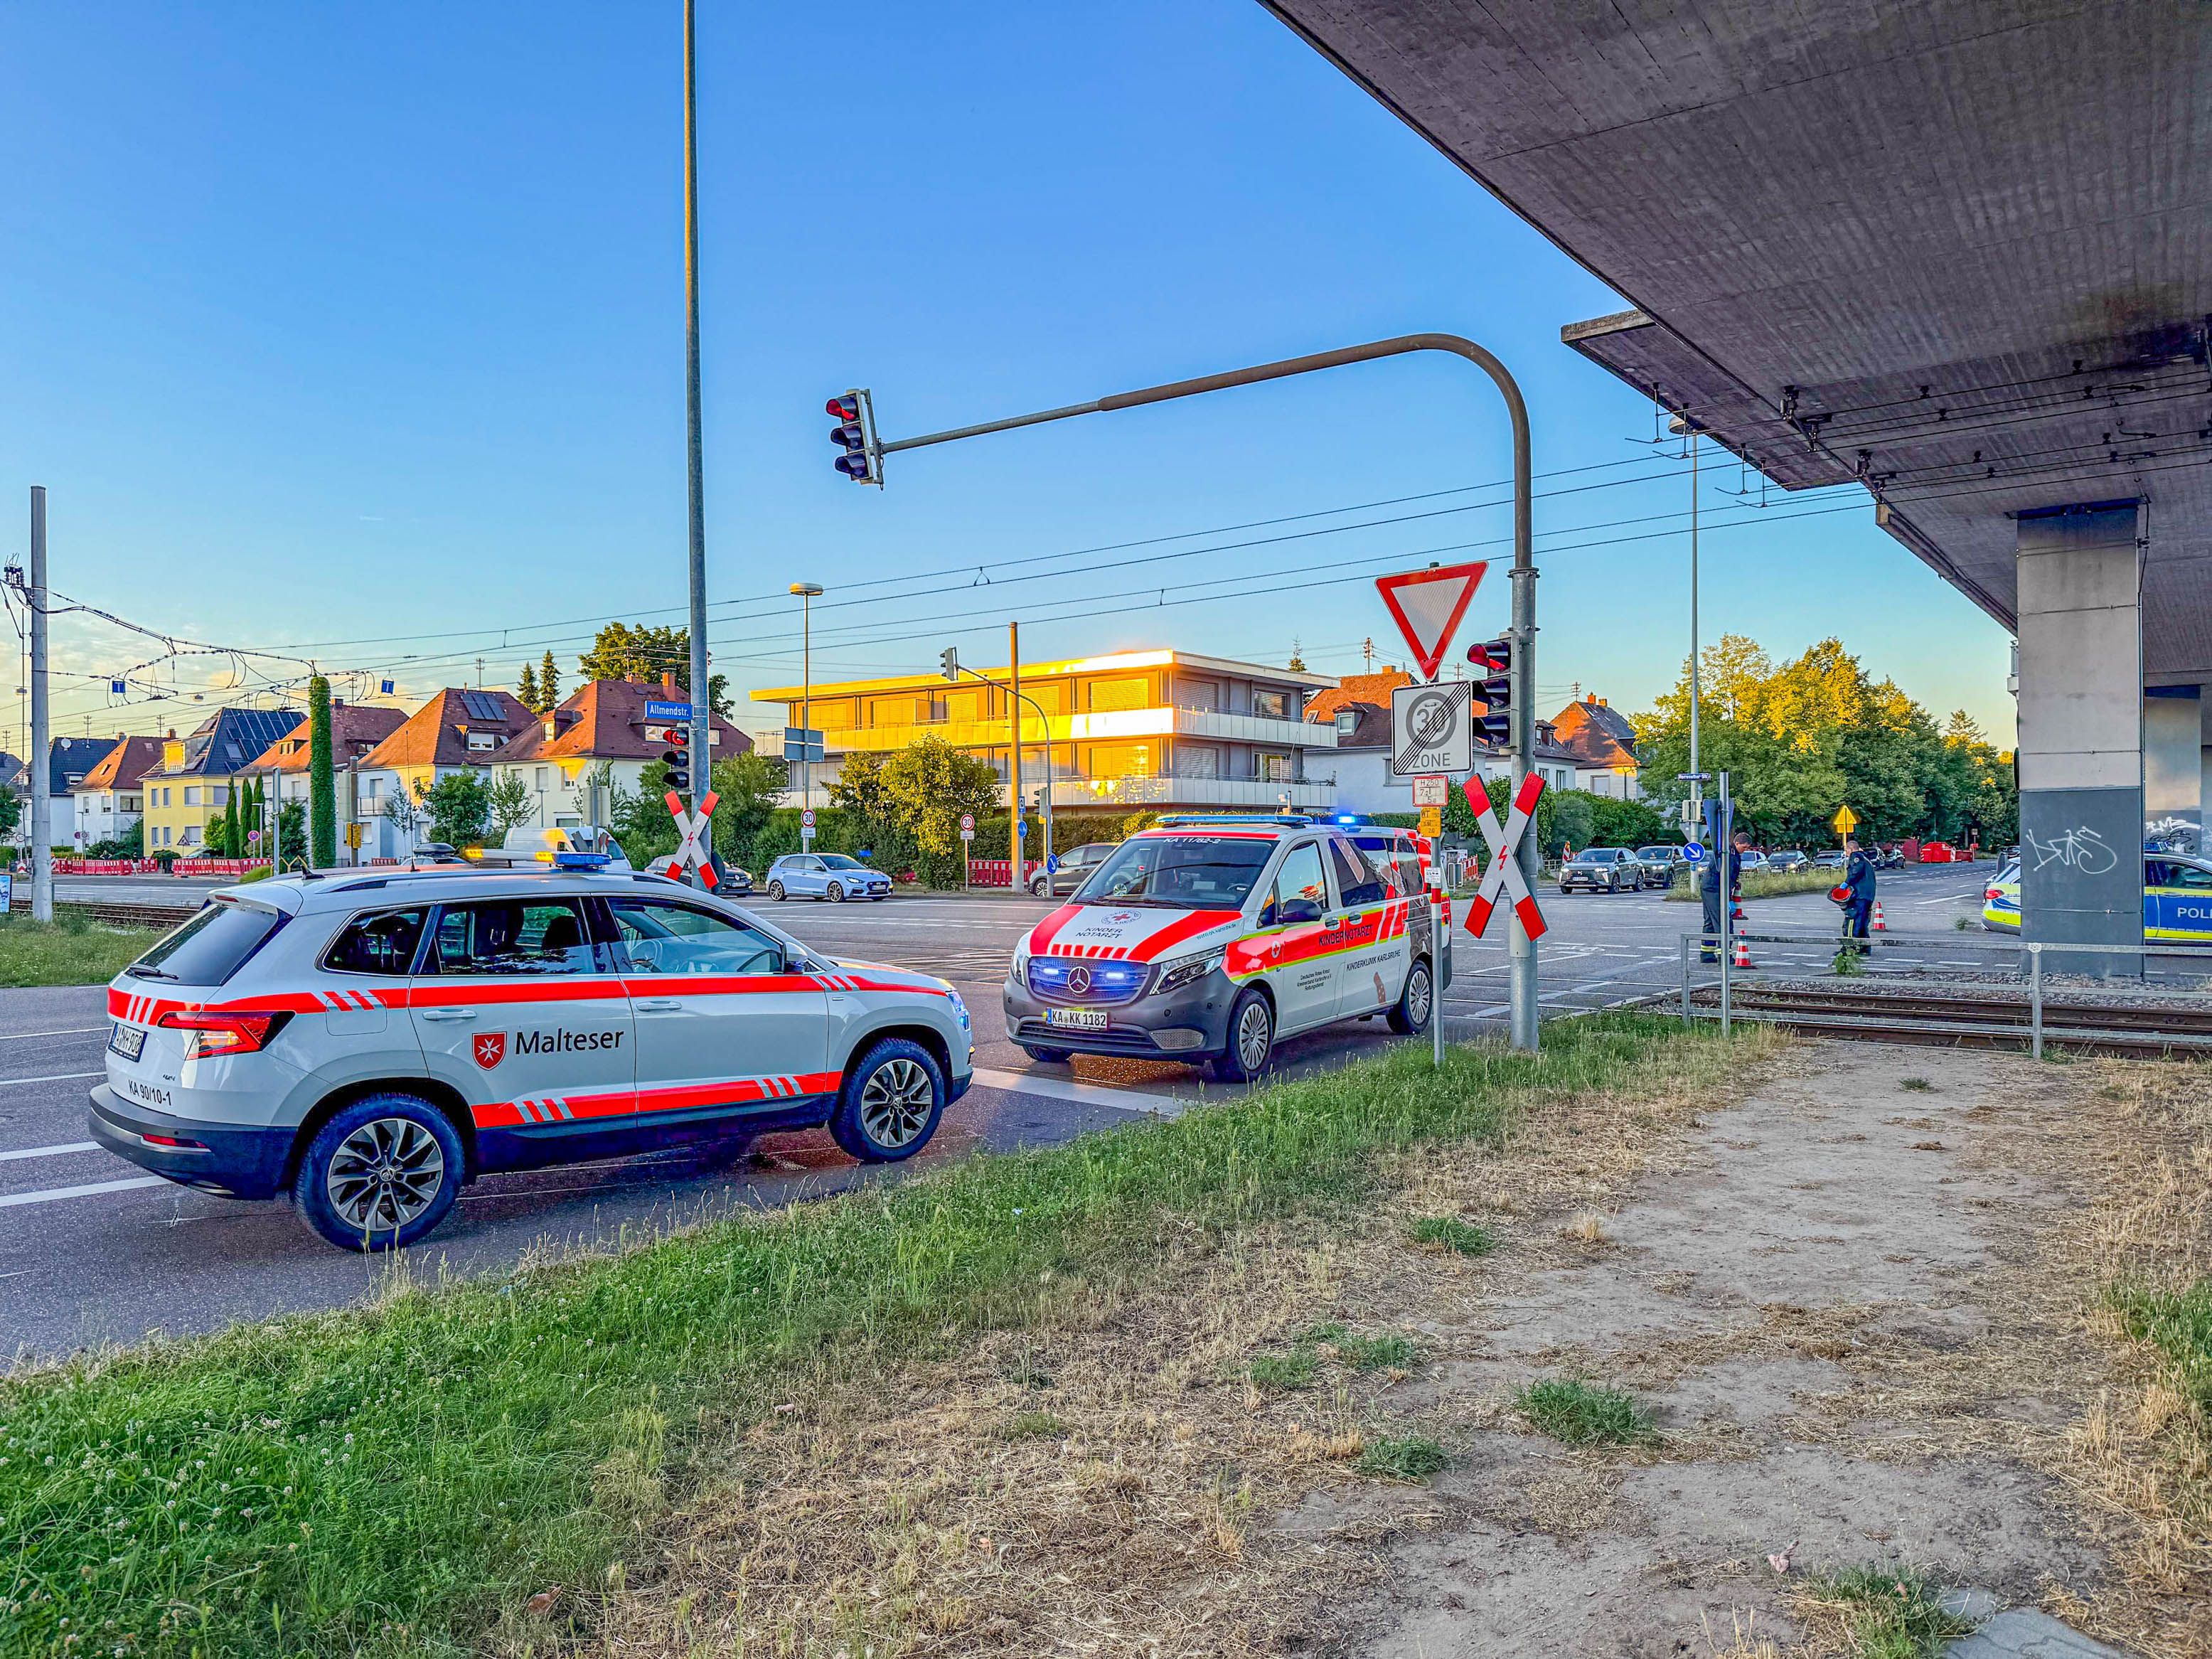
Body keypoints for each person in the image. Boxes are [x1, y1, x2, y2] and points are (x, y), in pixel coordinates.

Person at [1701, 828, 1748, 962]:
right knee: (1724, 921)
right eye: (1744, 847)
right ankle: (1724, 955)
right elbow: (1725, 876)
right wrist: (1728, 898)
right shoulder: (1729, 854)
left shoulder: (1731, 853)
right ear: (1737, 843)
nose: (1745, 850)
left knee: (1711, 921)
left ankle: (1707, 954)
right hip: (1714, 888)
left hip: (1711, 887)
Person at [1842, 835, 1876, 946]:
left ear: (1851, 849)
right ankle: (1864, 948)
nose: (1846, 853)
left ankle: (1851, 948)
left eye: (1846, 850)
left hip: (1860, 895)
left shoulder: (1856, 856)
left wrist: (1846, 883)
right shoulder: (1866, 859)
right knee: (1862, 923)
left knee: (1853, 921)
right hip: (1867, 895)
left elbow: (1855, 871)